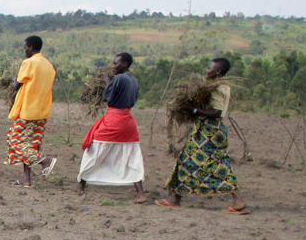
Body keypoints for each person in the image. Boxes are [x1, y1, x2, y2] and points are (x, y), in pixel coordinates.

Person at [156, 58, 248, 214]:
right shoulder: (224, 86)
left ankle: (237, 199)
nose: (206, 70)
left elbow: (216, 112)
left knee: (195, 162)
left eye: (209, 68)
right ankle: (176, 198)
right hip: (214, 130)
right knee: (205, 161)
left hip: (208, 131)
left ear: (218, 71)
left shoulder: (217, 88)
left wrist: (194, 110)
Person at [75, 53, 147, 203]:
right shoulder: (133, 79)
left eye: (116, 64)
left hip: (113, 121)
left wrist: (108, 82)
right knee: (131, 156)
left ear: (125, 64)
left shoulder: (118, 79)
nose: (113, 66)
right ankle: (140, 193)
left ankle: (81, 185)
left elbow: (108, 97)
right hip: (128, 122)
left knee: (94, 151)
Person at [5, 35, 57, 187]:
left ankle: (45, 161)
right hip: (42, 111)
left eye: (25, 48)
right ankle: (26, 179)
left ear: (31, 48)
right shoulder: (49, 65)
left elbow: (17, 86)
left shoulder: (29, 63)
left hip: (28, 110)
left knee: (14, 140)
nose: (25, 51)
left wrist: (13, 79)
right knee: (30, 144)